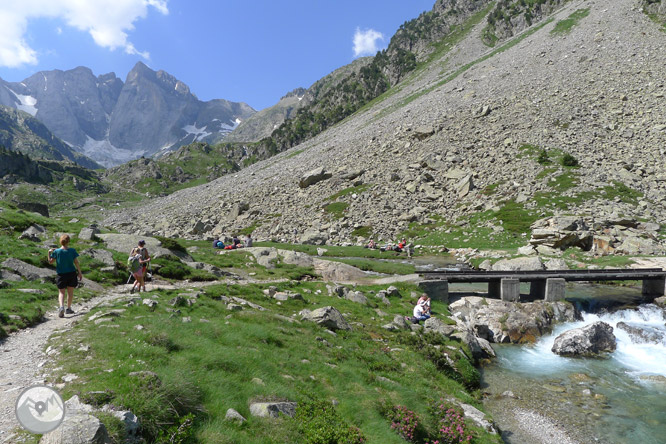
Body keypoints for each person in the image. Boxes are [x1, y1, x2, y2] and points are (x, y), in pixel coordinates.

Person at [48, 234, 82, 318]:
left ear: (61, 241)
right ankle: (69, 308)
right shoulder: (72, 251)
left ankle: (61, 307)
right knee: (70, 292)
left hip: (61, 274)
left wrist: (49, 253)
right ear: (68, 241)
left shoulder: (56, 252)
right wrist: (80, 272)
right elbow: (76, 262)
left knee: (61, 292)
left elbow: (50, 262)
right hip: (71, 273)